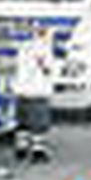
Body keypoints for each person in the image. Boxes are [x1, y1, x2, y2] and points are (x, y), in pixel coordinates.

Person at [14, 26, 56, 162]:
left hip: (21, 90)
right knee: (39, 125)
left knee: (23, 123)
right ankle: (38, 152)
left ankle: (21, 149)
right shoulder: (44, 49)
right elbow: (47, 69)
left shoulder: (24, 48)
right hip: (38, 90)